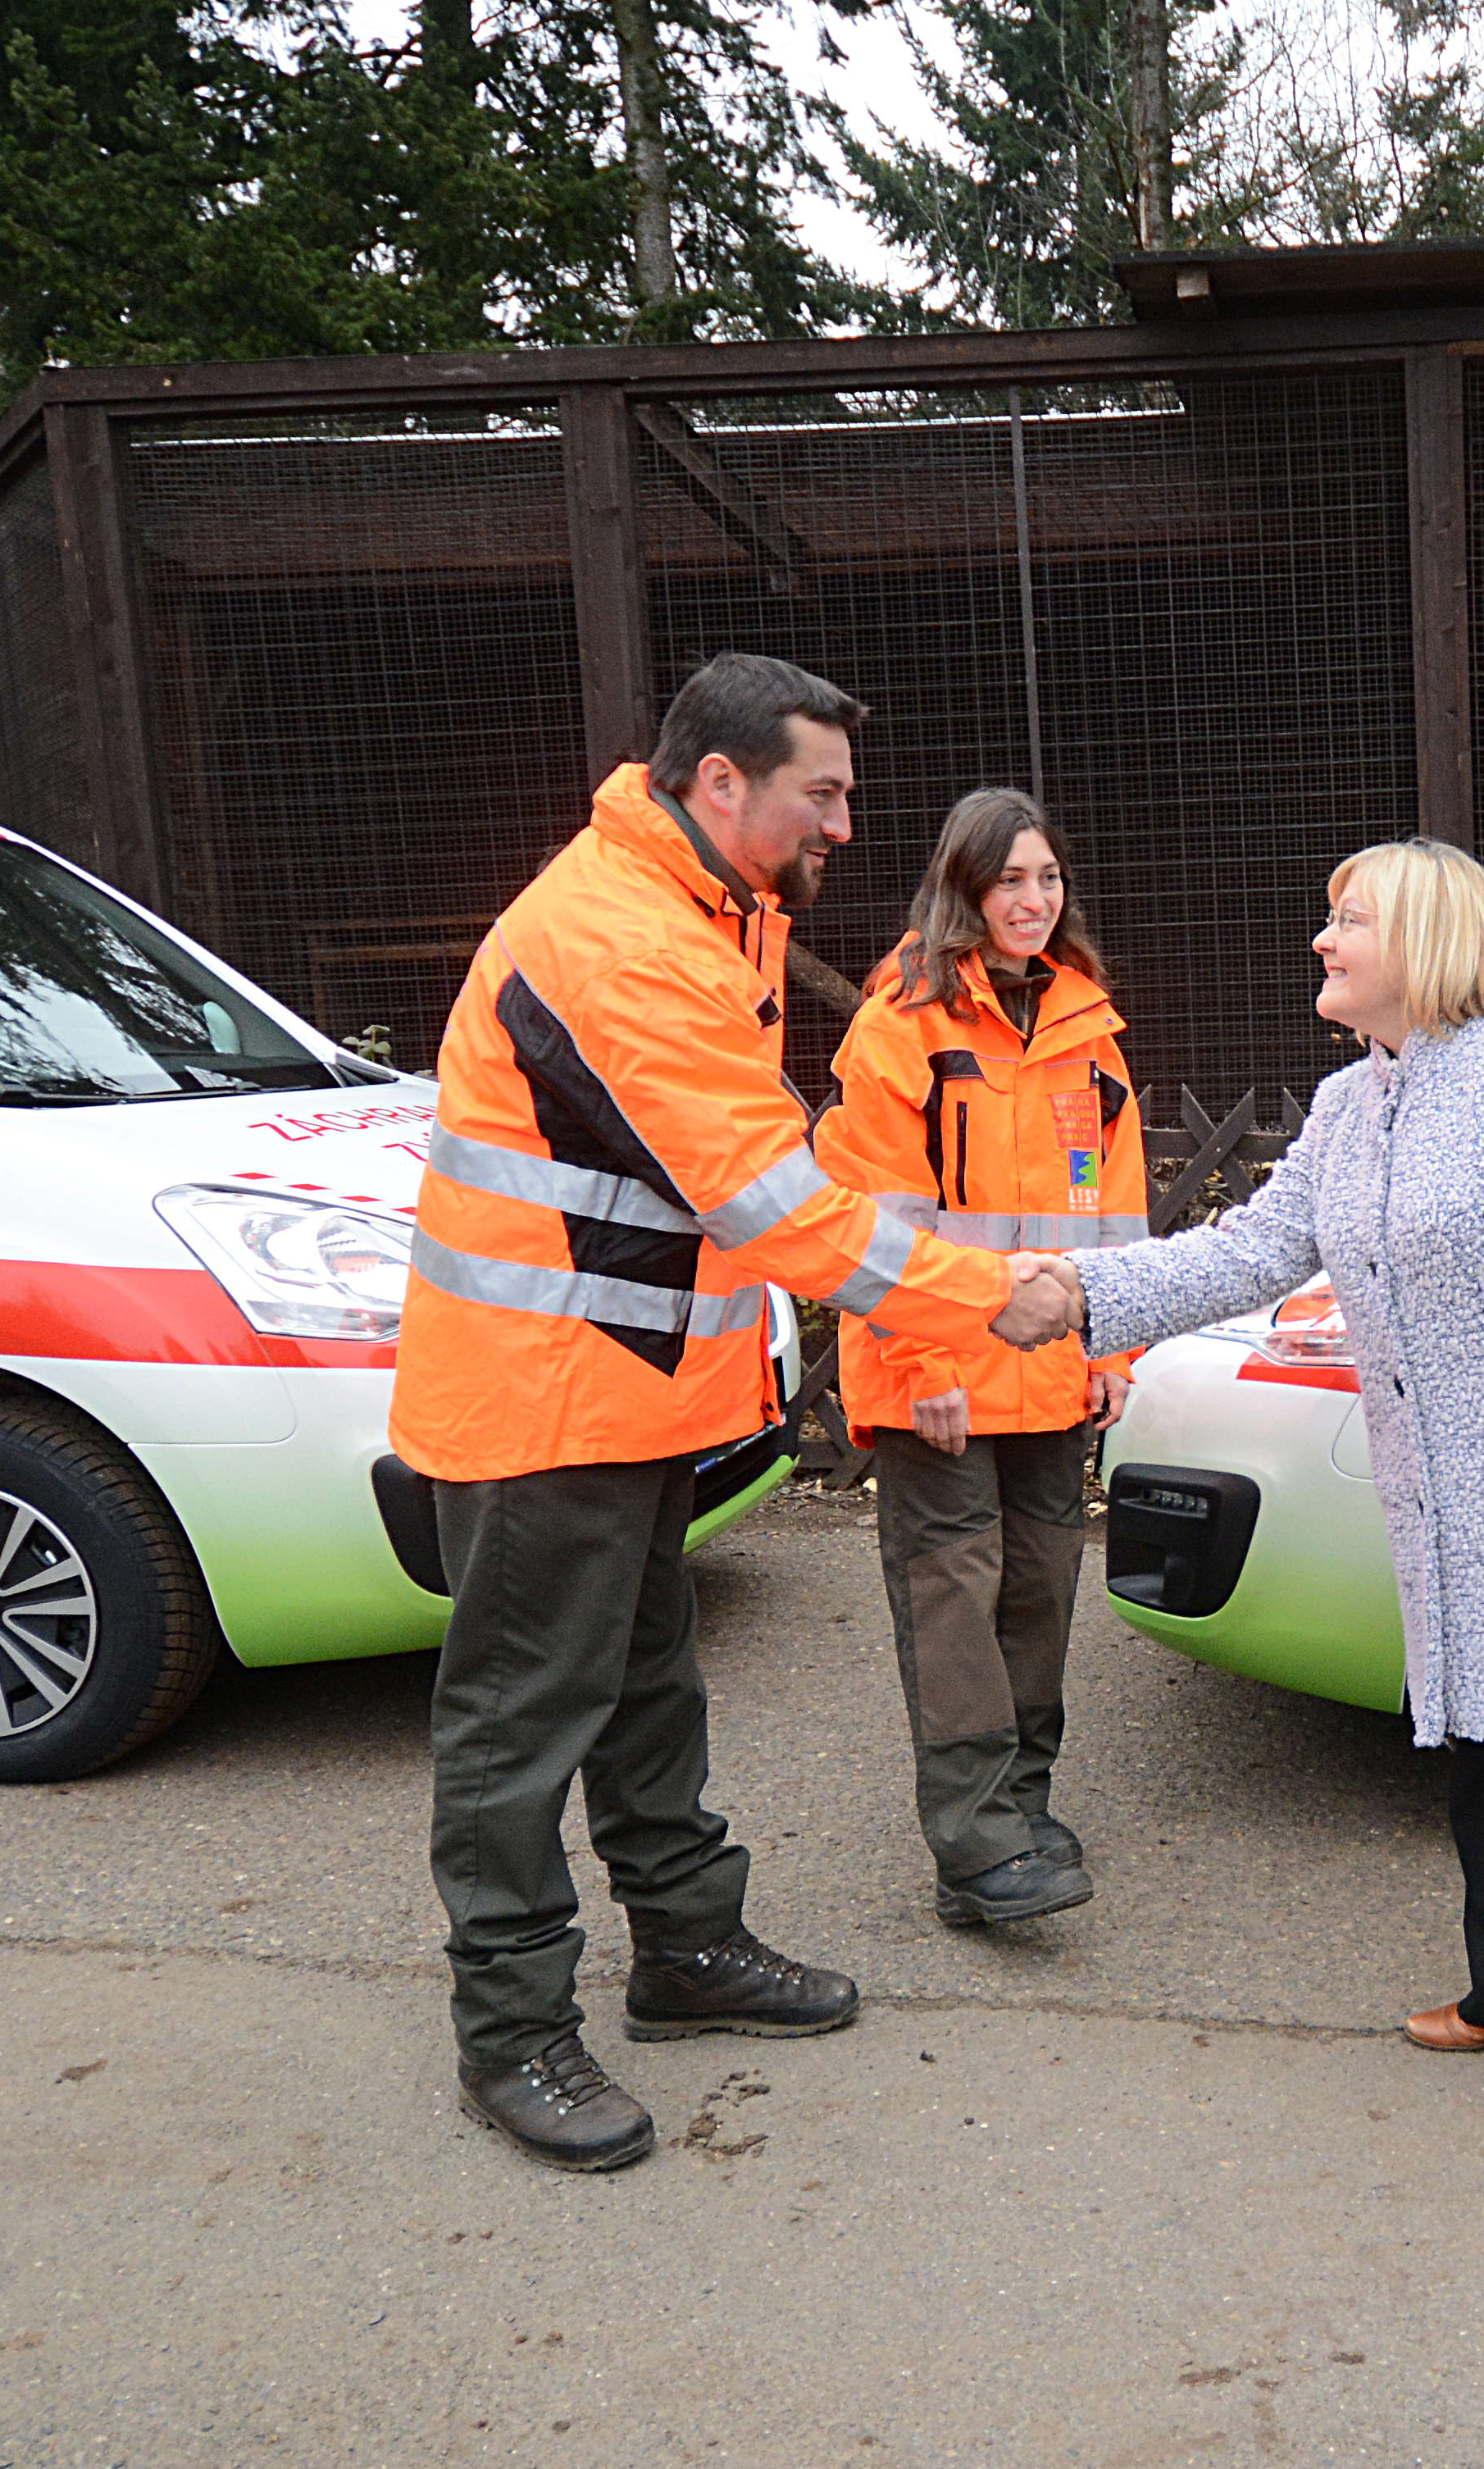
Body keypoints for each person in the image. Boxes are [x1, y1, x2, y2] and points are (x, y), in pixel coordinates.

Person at [392, 650, 1081, 2172]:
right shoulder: (626, 939)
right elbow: (775, 1200)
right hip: (541, 1403)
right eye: (818, 794)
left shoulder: (712, 908)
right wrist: (983, 1296)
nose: (844, 823)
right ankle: (511, 2037)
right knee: (521, 1726)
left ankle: (687, 1952)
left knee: (648, 1692)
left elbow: (759, 1173)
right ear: (720, 783)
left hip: (623, 1391)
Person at [1021, 838, 1484, 2131]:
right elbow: (1252, 1247)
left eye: (1347, 919)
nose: (1321, 940)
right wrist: (1085, 1292)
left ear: (1424, 942)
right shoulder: (1355, 1104)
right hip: (1448, 1508)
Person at [816, 789, 1149, 1927]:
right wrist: (924, 1368)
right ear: (961, 889)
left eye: (1046, 879)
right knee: (955, 1601)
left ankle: (1019, 1809)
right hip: (941, 1382)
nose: (1032, 900)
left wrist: (1118, 1347)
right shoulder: (899, 1028)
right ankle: (974, 1844)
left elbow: (1114, 1214)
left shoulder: (1084, 1031)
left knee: (1040, 1591)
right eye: (1008, 880)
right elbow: (877, 1229)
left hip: (1054, 1374)